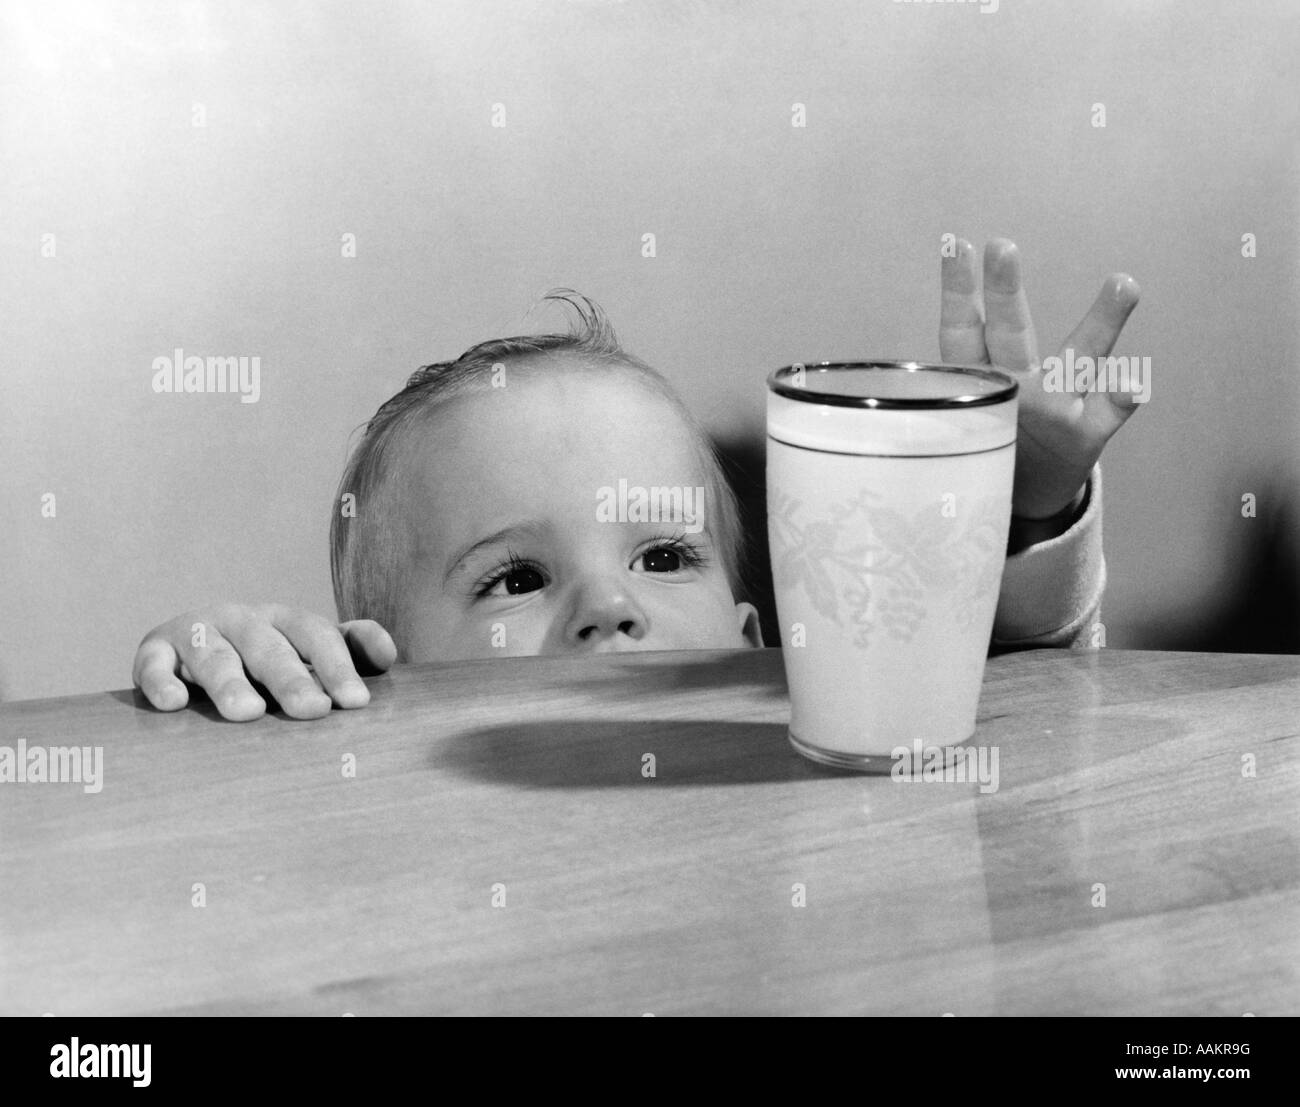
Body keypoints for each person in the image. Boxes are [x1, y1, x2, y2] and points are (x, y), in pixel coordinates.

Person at [132, 238, 1142, 721]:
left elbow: (1017, 701)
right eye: (516, 577)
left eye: (663, 556)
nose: (608, 606)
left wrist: (1021, 509)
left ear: (755, 652)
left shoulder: (797, 740)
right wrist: (232, 672)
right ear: (379, 670)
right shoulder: (368, 766)